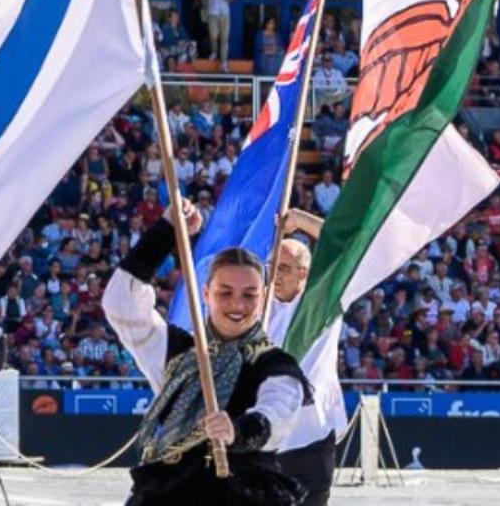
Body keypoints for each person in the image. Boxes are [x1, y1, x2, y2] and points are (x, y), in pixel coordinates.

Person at [103, 197, 313, 504]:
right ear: (206, 294)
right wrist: (166, 231)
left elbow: (277, 414)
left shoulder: (274, 365)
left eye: (249, 294)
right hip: (171, 489)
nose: (237, 305)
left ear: (262, 297)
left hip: (244, 492)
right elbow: (121, 303)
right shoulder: (176, 352)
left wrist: (237, 432)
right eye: (225, 292)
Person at [265, 210, 347, 506]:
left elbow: (342, 246)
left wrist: (299, 220)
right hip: (265, 439)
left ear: (304, 272)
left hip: (310, 438)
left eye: (284, 268)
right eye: (271, 266)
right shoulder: (257, 306)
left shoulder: (322, 300)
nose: (274, 275)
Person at [201, 0, 237, 69]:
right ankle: (214, 52)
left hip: (224, 14)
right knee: (213, 36)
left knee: (224, 38)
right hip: (213, 14)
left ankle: (224, 62)